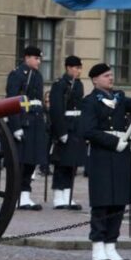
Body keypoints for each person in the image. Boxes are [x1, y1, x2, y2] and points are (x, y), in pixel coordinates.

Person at [81, 63, 131, 260]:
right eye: (106, 76)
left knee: (119, 202)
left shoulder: (119, 98)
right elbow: (88, 131)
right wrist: (113, 141)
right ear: (95, 80)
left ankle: (111, 246)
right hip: (102, 156)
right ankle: (98, 249)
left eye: (111, 75)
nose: (111, 78)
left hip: (121, 158)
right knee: (102, 202)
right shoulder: (89, 102)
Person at [6, 46, 48, 210]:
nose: (38, 62)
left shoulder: (37, 75)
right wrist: (16, 126)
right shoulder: (17, 75)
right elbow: (12, 101)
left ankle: (25, 196)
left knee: (31, 161)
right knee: (21, 162)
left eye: (39, 59)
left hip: (36, 122)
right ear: (27, 58)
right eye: (36, 58)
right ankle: (16, 195)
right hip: (24, 121)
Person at [48, 55, 85, 210]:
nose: (78, 71)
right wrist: (61, 131)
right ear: (69, 68)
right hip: (65, 126)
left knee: (72, 163)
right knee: (61, 163)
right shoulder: (59, 84)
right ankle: (58, 196)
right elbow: (56, 109)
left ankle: (68, 195)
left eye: (79, 68)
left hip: (76, 127)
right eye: (76, 68)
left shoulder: (78, 85)